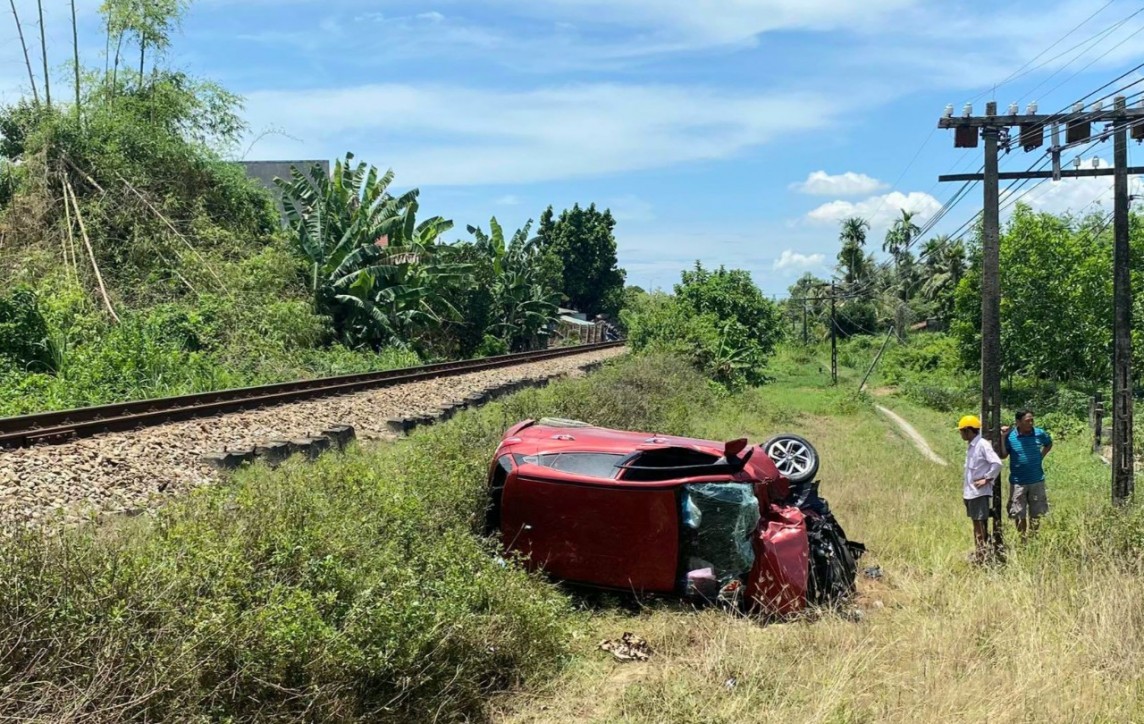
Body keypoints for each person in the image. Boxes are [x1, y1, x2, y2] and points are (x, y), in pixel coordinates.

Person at [1000, 409, 1053, 542]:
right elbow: (1003, 455)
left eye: (1031, 420)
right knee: (1018, 512)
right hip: (1018, 482)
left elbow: (1048, 443)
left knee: (1036, 512)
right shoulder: (1011, 436)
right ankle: (1023, 539)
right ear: (1018, 422)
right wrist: (1002, 437)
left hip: (1036, 480)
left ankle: (1034, 538)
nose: (1030, 423)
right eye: (1027, 421)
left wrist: (1041, 456)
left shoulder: (1039, 433)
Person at [958, 415, 1002, 563]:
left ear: (968, 431)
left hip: (978, 494)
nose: (961, 434)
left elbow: (997, 463)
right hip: (970, 493)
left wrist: (987, 479)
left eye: (962, 431)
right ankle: (980, 554)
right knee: (976, 526)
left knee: (979, 528)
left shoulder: (982, 445)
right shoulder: (972, 446)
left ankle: (981, 557)